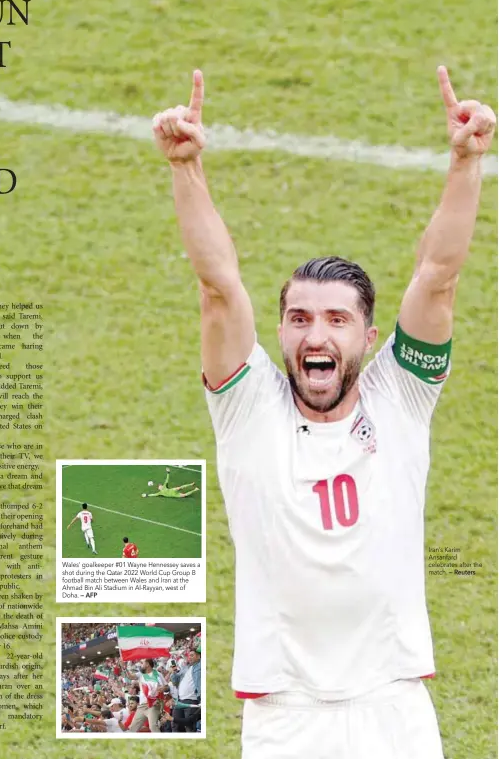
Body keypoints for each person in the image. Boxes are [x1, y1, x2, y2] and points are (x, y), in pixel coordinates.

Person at [152, 67, 496, 759]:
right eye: (299, 317)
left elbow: (437, 274)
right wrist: (186, 167)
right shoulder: (246, 405)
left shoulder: (401, 393)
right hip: (284, 713)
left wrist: (465, 162)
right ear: (278, 331)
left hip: (393, 705)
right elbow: (218, 287)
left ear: (368, 339)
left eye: (337, 319)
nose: (316, 335)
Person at [126, 659, 168, 732]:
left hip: (153, 704)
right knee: (133, 728)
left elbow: (167, 687)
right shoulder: (141, 674)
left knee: (153, 727)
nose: (141, 665)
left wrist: (163, 688)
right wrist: (124, 668)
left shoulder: (158, 674)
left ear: (147, 664)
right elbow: (130, 677)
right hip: (142, 706)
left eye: (142, 663)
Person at [171, 645, 201, 733]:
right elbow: (175, 682)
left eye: (192, 655)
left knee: (189, 727)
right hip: (179, 700)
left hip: (191, 701)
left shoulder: (200, 666)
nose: (189, 657)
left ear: (199, 656)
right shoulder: (185, 668)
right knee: (175, 725)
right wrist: (174, 672)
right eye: (189, 655)